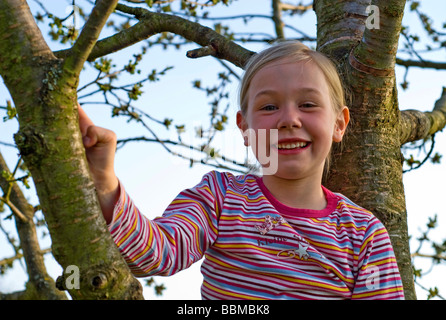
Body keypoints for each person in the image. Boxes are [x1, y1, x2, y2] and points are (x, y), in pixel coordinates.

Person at [78, 40, 405, 300]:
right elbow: (155, 252)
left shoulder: (364, 234)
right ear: (245, 128)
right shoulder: (220, 198)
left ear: (339, 124)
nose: (289, 119)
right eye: (269, 107)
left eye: (307, 104)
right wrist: (104, 181)